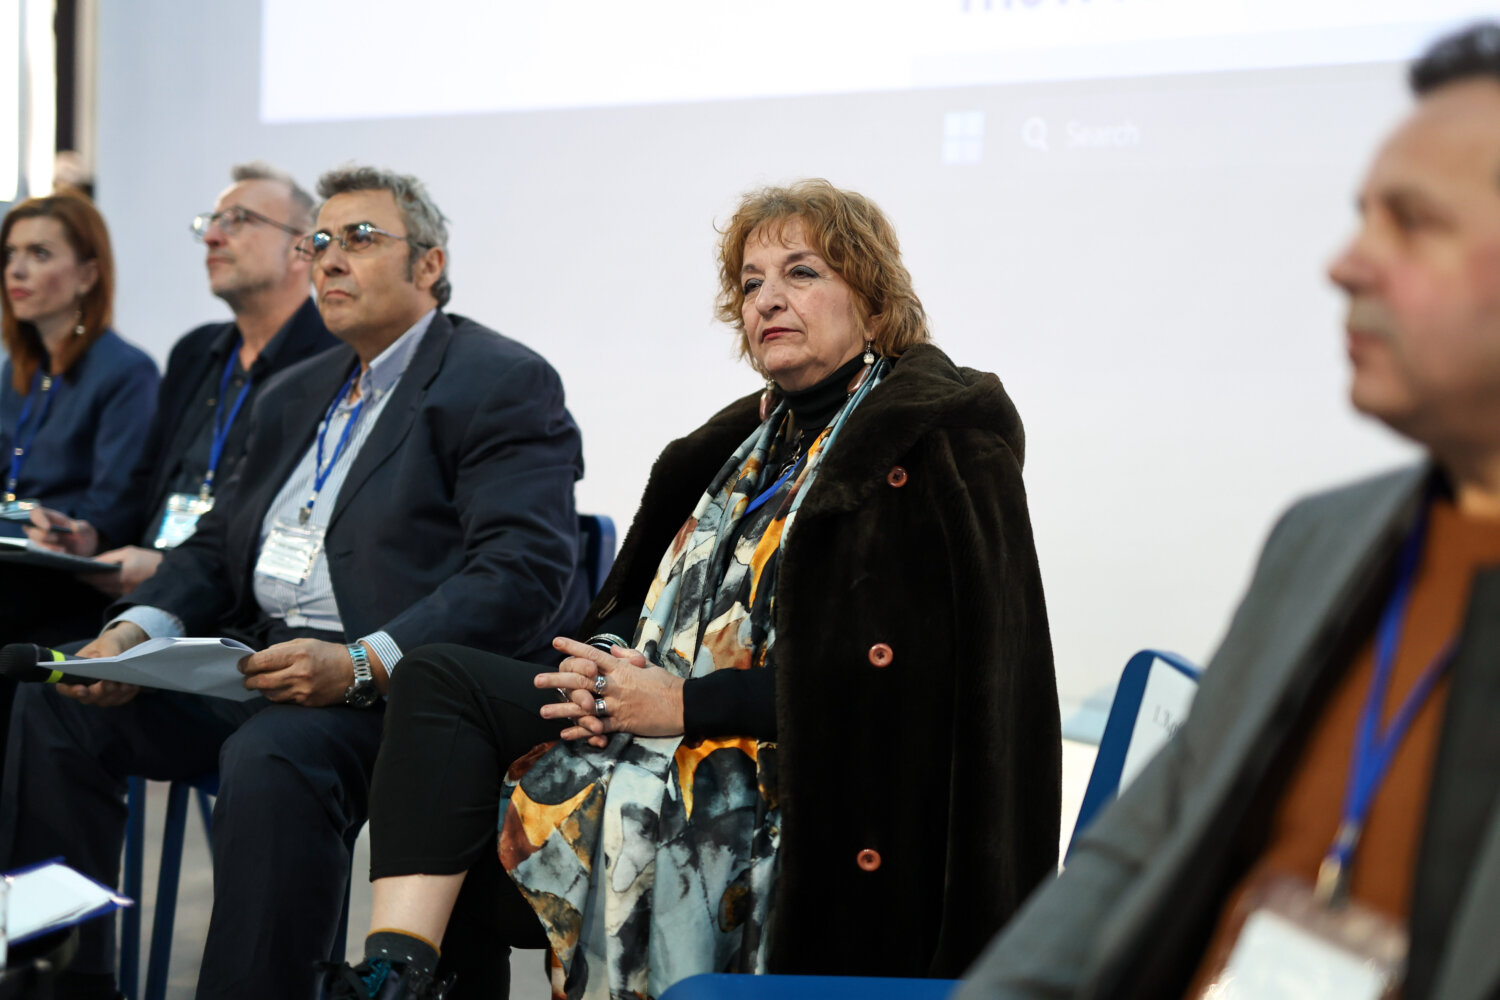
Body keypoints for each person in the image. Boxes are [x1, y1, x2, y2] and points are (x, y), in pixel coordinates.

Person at [319, 179, 1061, 1000]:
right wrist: (602, 663)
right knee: (438, 680)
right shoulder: (740, 445)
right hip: (656, 721)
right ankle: (396, 972)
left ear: (876, 304)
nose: (767, 299)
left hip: (799, 777)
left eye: (802, 272)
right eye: (751, 283)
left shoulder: (935, 444)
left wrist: (684, 704)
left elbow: (916, 687)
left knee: (464, 835)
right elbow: (638, 608)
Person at [958, 22, 1500, 1000]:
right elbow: (1136, 849)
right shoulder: (1323, 540)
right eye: (1363, 217)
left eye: (1413, 222)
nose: (1345, 264)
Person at [0, 165, 590, 1000]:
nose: (330, 258)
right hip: (266, 663)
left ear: (429, 265)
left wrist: (360, 664)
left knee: (275, 753)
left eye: (360, 239)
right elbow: (216, 548)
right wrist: (134, 635)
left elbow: (521, 572)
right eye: (319, 241)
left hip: (401, 695)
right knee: (59, 699)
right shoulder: (294, 392)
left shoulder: (497, 380)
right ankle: (59, 978)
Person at [24, 161, 337, 595]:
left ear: (302, 248)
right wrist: (94, 536)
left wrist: (172, 571)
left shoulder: (333, 359)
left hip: (231, 598)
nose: (212, 237)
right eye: (211, 223)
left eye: (239, 221)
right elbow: (144, 479)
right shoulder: (196, 351)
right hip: (138, 585)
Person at [0, 192, 159, 644]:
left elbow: (112, 512)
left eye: (39, 254)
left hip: (63, 584)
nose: (15, 270)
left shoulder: (126, 371)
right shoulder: (17, 370)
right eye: (10, 254)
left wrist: (58, 529)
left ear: (88, 275)